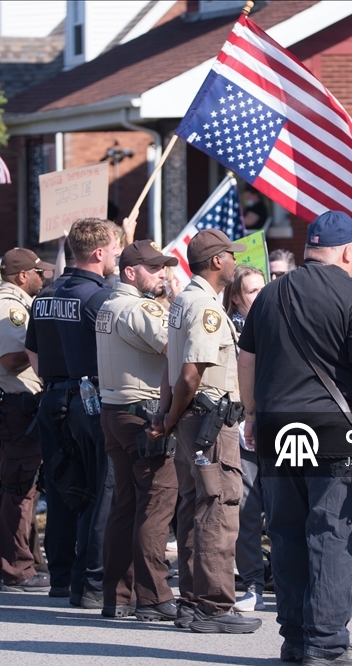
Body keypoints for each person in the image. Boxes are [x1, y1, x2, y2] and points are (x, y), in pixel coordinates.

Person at [238, 211, 352, 666]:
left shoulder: (269, 294)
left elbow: (246, 359)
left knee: (287, 532)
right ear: (349, 252)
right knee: (332, 533)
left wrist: (251, 414)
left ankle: (296, 637)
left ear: (309, 249)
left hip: (277, 429)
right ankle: (327, 642)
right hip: (334, 433)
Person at [149, 228, 262, 634]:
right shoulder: (205, 307)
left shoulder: (184, 300)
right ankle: (214, 606)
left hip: (191, 419)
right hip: (209, 421)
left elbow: (172, 369)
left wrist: (167, 415)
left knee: (194, 507)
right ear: (217, 261)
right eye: (231, 255)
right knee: (218, 508)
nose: (235, 261)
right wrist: (171, 415)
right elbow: (189, 373)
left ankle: (192, 602)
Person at [96, 240, 179, 620]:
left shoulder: (110, 304)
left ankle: (118, 596)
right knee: (155, 505)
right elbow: (179, 348)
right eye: (154, 268)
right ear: (130, 272)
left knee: (125, 505)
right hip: (142, 417)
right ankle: (154, 597)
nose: (162, 274)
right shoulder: (140, 308)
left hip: (115, 412)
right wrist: (175, 306)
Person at [0, 248, 53, 592]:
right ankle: (17, 569)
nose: (42, 279)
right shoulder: (12, 308)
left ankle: (14, 560)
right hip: (15, 404)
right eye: (38, 273)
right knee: (20, 489)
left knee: (5, 485)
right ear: (22, 276)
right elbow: (11, 359)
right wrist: (44, 346)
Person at [53, 217, 123, 608]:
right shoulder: (98, 298)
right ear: (98, 252)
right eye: (114, 248)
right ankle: (96, 582)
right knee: (105, 494)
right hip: (96, 400)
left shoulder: (56, 291)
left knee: (86, 495)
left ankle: (81, 582)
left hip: (68, 398)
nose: (117, 254)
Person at [25, 244, 81, 598]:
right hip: (82, 398)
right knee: (89, 490)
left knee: (59, 486)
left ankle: (60, 577)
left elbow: (31, 350)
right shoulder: (92, 295)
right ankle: (82, 576)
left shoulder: (42, 298)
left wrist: (48, 379)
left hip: (51, 395)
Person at [223, 265, 267, 612]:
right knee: (247, 511)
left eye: (263, 289)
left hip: (279, 427)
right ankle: (253, 583)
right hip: (242, 430)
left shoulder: (278, 324)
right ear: (236, 297)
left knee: (284, 512)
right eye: (252, 291)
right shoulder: (228, 329)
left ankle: (286, 580)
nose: (260, 296)